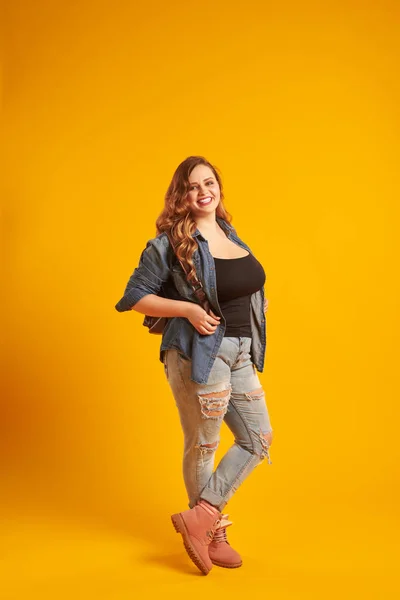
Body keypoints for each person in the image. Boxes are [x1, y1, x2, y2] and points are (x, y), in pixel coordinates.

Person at [115, 156, 273, 575]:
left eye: (209, 182)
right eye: (192, 186)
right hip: (199, 354)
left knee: (258, 439)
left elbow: (246, 288)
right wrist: (186, 308)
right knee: (203, 444)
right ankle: (212, 529)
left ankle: (199, 520)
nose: (203, 191)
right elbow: (133, 297)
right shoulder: (169, 243)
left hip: (240, 353)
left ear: (219, 186)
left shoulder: (230, 233)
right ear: (180, 196)